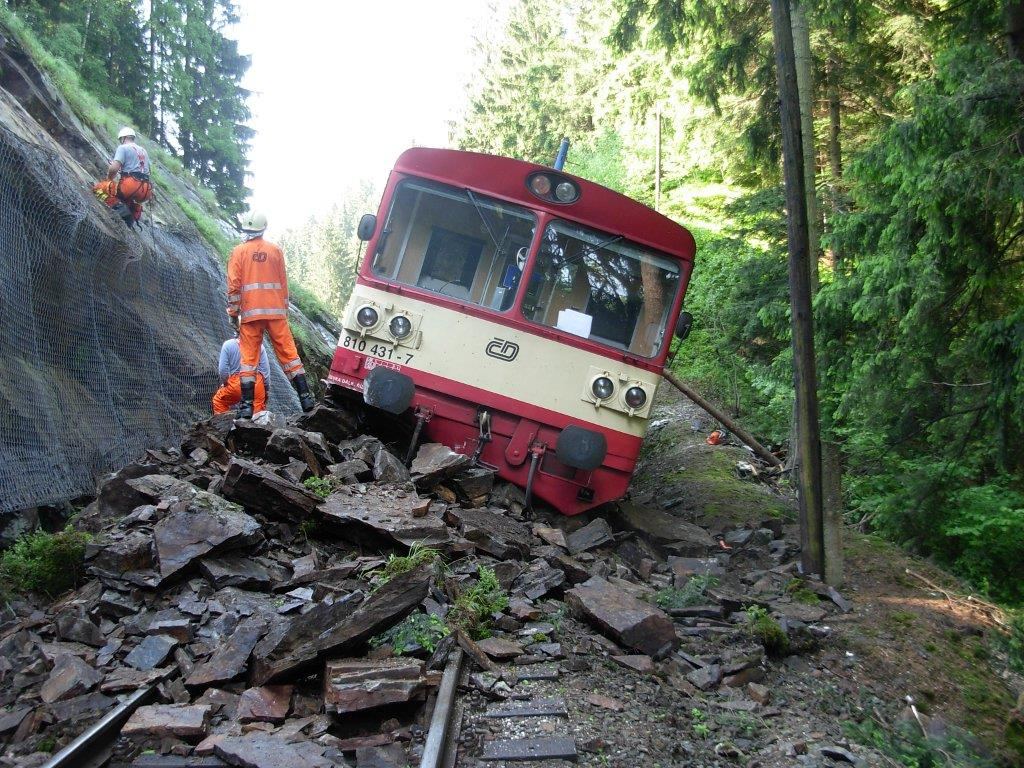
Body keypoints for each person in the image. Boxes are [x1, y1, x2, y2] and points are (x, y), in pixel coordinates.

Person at [227, 211, 316, 417]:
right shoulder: (275, 251)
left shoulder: (238, 252)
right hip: (276, 313)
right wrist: (283, 310)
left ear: (246, 229)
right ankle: (306, 399)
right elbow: (283, 284)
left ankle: (247, 406)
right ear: (263, 228)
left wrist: (233, 312)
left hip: (250, 315)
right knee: (290, 355)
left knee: (248, 360)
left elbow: (233, 286)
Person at [93, 127, 152, 226]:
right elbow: (147, 171)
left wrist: (109, 180)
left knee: (98, 188)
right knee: (127, 198)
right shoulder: (144, 151)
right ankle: (132, 214)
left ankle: (120, 208)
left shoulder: (123, 148)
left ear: (123, 138)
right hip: (146, 190)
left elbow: (113, 169)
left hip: (130, 186)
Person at [212, 334, 269, 415]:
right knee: (257, 413)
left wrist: (225, 383)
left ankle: (223, 424)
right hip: (255, 384)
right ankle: (257, 425)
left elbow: (223, 370)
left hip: (236, 385)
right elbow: (265, 372)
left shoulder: (228, 345)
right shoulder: (260, 346)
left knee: (218, 401)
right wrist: (266, 389)